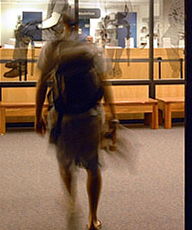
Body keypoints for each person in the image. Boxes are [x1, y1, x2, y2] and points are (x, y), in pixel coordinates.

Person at [34, 12, 117, 230]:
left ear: (62, 24)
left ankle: (72, 203)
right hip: (90, 116)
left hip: (63, 117)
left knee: (65, 164)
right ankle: (93, 218)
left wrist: (37, 115)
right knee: (92, 166)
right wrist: (113, 116)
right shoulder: (92, 48)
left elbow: (42, 84)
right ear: (79, 25)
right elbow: (104, 83)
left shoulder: (51, 48)